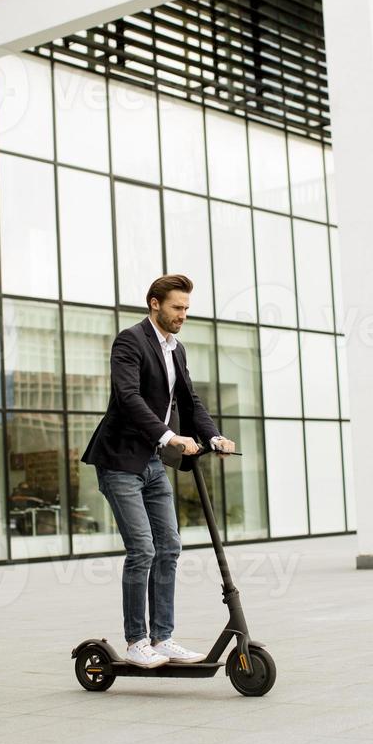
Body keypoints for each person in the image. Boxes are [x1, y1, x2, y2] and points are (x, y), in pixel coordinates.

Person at [81, 274, 235, 668]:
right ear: (154, 304)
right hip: (119, 460)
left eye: (186, 309)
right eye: (177, 308)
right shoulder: (130, 341)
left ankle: (162, 637)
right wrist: (170, 437)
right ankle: (136, 642)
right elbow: (128, 398)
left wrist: (214, 437)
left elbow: (189, 398)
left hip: (151, 461)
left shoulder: (175, 348)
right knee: (143, 549)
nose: (183, 315)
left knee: (169, 546)